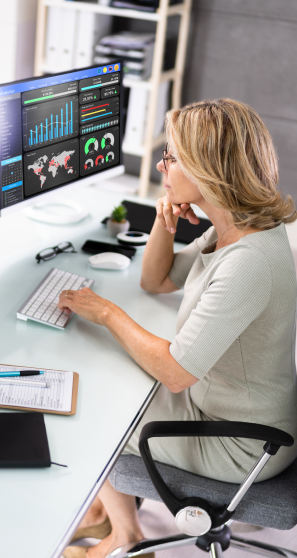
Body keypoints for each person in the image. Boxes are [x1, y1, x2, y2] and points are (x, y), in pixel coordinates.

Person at [58, 99, 297, 558]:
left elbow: (176, 372)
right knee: (110, 378)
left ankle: (124, 537)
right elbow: (157, 280)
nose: (162, 164)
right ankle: (102, 515)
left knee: (93, 412)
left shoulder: (249, 260)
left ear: (209, 169)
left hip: (241, 444)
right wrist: (164, 223)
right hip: (226, 409)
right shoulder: (234, 228)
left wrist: (106, 313)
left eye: (172, 156)